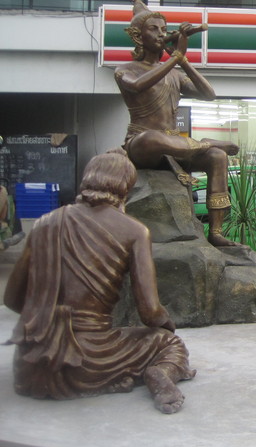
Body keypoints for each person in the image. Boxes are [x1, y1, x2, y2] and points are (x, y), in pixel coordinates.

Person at [3, 150, 195, 413]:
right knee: (169, 343)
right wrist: (165, 324)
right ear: (125, 188)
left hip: (34, 361)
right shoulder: (135, 230)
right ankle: (160, 373)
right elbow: (150, 312)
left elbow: (13, 300)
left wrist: (48, 319)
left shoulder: (44, 224)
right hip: (88, 358)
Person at [114, 0, 239, 247]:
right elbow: (139, 86)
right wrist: (176, 57)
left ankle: (215, 231)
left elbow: (209, 94)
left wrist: (182, 60)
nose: (161, 34)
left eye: (164, 29)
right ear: (138, 37)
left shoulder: (174, 72)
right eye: (154, 29)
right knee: (153, 138)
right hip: (142, 144)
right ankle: (203, 143)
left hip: (174, 146)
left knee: (218, 158)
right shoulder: (125, 69)